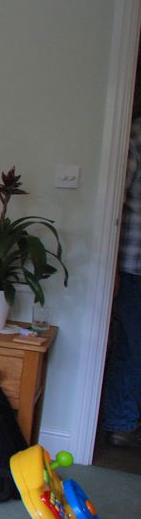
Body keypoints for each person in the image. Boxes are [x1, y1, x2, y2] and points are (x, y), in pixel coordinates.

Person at [101, 117, 141, 448]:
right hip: (133, 263)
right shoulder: (137, 134)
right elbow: (114, 198)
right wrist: (111, 267)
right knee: (132, 345)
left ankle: (123, 420)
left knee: (131, 345)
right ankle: (121, 420)